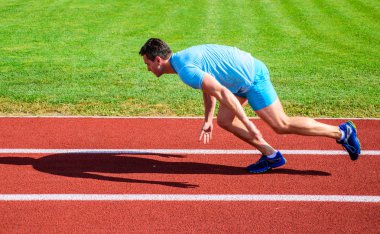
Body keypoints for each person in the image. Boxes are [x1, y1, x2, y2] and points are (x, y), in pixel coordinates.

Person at [139, 38, 361, 173]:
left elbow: (222, 92)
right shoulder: (183, 60)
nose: (148, 69)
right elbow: (210, 87)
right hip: (237, 80)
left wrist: (249, 123)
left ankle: (342, 132)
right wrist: (207, 119)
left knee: (280, 124)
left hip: (252, 78)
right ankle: (271, 155)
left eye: (147, 64)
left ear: (158, 60)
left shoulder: (185, 70)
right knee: (224, 120)